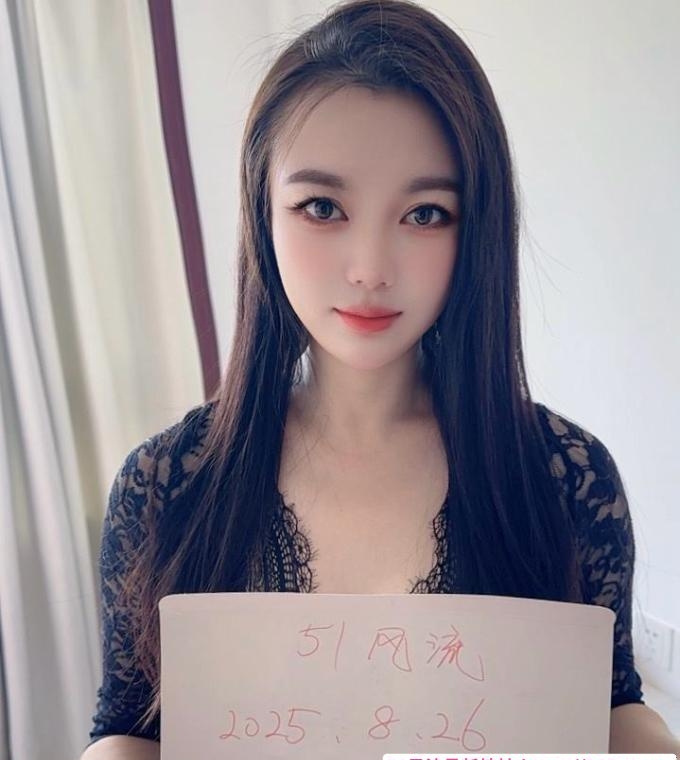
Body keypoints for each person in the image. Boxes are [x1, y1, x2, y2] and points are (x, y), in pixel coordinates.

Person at [80, 0, 680, 757]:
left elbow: (610, 701)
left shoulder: (565, 476)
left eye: (424, 214)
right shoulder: (167, 487)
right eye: (322, 207)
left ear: (476, 228)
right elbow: (129, 728)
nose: (369, 269)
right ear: (263, 214)